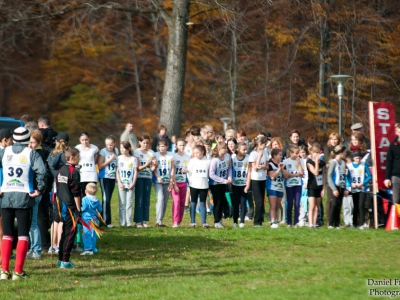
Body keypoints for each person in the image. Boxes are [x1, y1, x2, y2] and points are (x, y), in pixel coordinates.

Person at [0, 127, 46, 280]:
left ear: (13, 138)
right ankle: (18, 272)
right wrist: (39, 189)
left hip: (6, 196)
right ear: (27, 139)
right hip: (24, 198)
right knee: (23, 236)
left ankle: (4, 271)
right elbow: (42, 171)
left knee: (7, 235)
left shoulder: (4, 151)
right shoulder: (31, 153)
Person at [56, 147, 81, 268]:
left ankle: (61, 258)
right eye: (78, 157)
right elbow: (76, 192)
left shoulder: (61, 170)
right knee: (70, 233)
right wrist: (78, 209)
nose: (79, 159)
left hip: (61, 204)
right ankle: (65, 261)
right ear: (72, 158)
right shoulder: (74, 172)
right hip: (70, 206)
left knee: (65, 233)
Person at [47, 132, 69, 254]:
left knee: (55, 218)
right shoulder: (65, 155)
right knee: (62, 218)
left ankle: (52, 245)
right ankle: (60, 245)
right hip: (63, 188)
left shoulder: (52, 154)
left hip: (54, 188)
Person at [26, 130, 46, 260]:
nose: (30, 145)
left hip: (35, 192)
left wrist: (38, 189)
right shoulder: (31, 153)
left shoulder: (38, 155)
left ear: (38, 143)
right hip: (31, 191)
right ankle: (33, 248)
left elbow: (42, 173)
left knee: (33, 223)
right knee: (30, 222)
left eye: (32, 142)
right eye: (29, 142)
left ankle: (36, 250)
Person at [245, 136, 268, 227]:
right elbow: (255, 168)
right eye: (264, 145)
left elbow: (267, 167)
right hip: (255, 180)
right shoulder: (253, 154)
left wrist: (262, 167)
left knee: (261, 202)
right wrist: (259, 157)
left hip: (263, 179)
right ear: (260, 144)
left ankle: (260, 220)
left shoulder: (265, 152)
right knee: (258, 202)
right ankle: (256, 222)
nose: (265, 147)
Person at [134, 134, 156, 228]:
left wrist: (154, 165)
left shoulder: (151, 152)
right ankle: (138, 221)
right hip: (139, 178)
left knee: (146, 200)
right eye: (144, 143)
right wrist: (146, 164)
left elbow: (153, 167)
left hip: (148, 178)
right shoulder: (137, 152)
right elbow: (137, 168)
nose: (146, 145)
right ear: (140, 143)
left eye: (147, 143)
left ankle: (144, 220)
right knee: (139, 200)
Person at [209, 142, 232, 228]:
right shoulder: (215, 160)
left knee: (222, 201)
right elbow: (211, 174)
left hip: (224, 182)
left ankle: (220, 219)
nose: (226, 149)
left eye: (226, 148)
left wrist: (229, 177)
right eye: (224, 148)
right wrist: (223, 180)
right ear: (219, 150)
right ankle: (217, 221)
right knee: (218, 201)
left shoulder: (228, 157)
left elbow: (229, 168)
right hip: (215, 183)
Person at [187, 145, 211, 228]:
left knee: (203, 203)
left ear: (202, 152)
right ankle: (192, 222)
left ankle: (204, 222)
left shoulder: (208, 161)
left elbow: (210, 173)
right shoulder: (192, 161)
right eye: (195, 153)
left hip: (204, 185)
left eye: (197, 153)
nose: (196, 154)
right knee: (193, 202)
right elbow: (189, 171)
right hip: (194, 185)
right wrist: (185, 171)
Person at [98, 135, 119, 228]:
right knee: (105, 199)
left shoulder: (117, 150)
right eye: (107, 145)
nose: (109, 147)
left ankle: (102, 220)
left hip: (112, 177)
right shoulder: (103, 151)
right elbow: (100, 166)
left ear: (114, 144)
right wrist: (110, 160)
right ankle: (107, 221)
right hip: (104, 177)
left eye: (111, 145)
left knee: (108, 199)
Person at [347, 152, 372, 229]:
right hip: (354, 188)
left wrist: (363, 183)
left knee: (361, 205)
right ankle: (354, 223)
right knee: (355, 206)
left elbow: (369, 176)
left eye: (359, 158)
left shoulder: (364, 165)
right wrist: (351, 183)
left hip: (362, 188)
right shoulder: (349, 166)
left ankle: (362, 223)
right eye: (356, 158)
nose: (358, 160)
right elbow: (347, 177)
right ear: (353, 158)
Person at [153, 139, 174, 227]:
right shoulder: (155, 155)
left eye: (163, 146)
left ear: (167, 147)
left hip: (167, 180)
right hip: (158, 181)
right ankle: (158, 221)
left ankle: (161, 220)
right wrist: (157, 177)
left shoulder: (171, 155)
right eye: (160, 146)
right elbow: (153, 168)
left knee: (165, 201)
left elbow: (173, 168)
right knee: (160, 199)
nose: (161, 148)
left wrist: (171, 181)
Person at [116, 142, 138, 227]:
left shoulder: (133, 159)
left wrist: (133, 183)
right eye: (121, 147)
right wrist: (119, 182)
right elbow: (117, 172)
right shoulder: (119, 158)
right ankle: (122, 222)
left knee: (129, 203)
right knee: (122, 203)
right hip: (121, 184)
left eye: (124, 148)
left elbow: (135, 172)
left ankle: (128, 222)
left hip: (130, 184)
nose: (122, 149)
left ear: (128, 148)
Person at [327, 145, 349, 229]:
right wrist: (334, 189)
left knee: (339, 205)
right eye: (344, 152)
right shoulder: (334, 162)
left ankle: (337, 224)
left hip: (342, 186)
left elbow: (345, 175)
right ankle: (330, 223)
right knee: (334, 204)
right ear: (340, 153)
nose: (346, 153)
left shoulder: (343, 162)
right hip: (335, 186)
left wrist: (346, 187)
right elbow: (329, 176)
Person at [171, 138, 190, 228]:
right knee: (176, 201)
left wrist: (187, 170)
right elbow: (172, 171)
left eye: (183, 145)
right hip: (175, 182)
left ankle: (179, 221)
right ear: (176, 146)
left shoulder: (188, 157)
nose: (182, 147)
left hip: (183, 182)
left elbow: (191, 170)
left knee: (182, 203)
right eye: (180, 145)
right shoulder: (173, 156)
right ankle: (175, 221)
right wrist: (174, 184)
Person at [266, 149, 288, 228]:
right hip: (272, 187)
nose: (281, 157)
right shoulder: (270, 164)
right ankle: (272, 221)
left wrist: (282, 169)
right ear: (274, 156)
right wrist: (278, 169)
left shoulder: (282, 165)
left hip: (280, 187)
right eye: (279, 155)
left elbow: (286, 176)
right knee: (273, 205)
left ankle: (274, 220)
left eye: (281, 155)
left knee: (277, 206)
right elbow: (272, 176)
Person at [283, 145, 304, 227]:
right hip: (289, 185)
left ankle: (296, 222)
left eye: (298, 153)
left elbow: (301, 173)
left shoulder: (300, 161)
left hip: (298, 184)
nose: (297, 155)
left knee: (297, 203)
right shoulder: (286, 161)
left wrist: (299, 163)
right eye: (296, 153)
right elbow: (286, 175)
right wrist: (295, 174)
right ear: (291, 153)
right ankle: (289, 222)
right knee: (290, 203)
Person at [306, 144, 326, 229]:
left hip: (319, 186)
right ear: (311, 152)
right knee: (312, 206)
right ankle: (310, 223)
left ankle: (314, 224)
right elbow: (315, 172)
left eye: (319, 153)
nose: (317, 154)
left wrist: (323, 189)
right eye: (315, 153)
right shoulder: (309, 162)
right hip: (312, 186)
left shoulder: (322, 163)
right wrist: (317, 163)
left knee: (317, 207)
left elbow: (323, 175)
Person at [231, 142, 250, 228]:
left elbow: (249, 172)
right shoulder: (233, 157)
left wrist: (248, 185)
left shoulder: (248, 158)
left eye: (246, 149)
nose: (245, 151)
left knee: (243, 203)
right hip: (235, 184)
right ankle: (235, 221)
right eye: (244, 149)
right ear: (238, 150)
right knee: (235, 203)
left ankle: (242, 221)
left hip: (244, 184)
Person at [80, 183, 102, 255]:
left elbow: (82, 208)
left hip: (86, 219)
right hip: (95, 219)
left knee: (87, 233)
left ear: (86, 191)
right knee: (94, 234)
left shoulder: (85, 199)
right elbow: (100, 209)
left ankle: (88, 249)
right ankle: (93, 247)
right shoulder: (97, 200)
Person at [384, 123, 400, 204]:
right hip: (396, 176)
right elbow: (389, 162)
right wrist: (387, 178)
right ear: (397, 133)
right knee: (396, 201)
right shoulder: (393, 145)